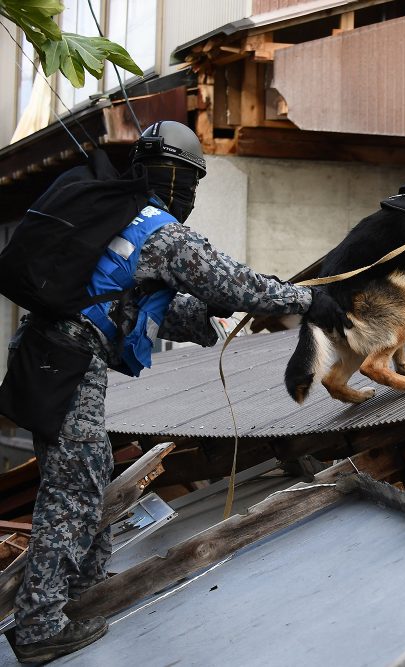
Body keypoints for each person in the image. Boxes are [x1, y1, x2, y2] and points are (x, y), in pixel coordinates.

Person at [2, 121, 348, 664]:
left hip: (47, 355)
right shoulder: (159, 228)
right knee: (75, 488)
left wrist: (207, 316)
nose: (188, 194)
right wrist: (304, 300)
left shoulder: (121, 220)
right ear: (177, 177)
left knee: (83, 475)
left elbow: (136, 306)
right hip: (66, 362)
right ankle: (40, 625)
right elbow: (232, 282)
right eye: (188, 181)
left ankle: (84, 588)